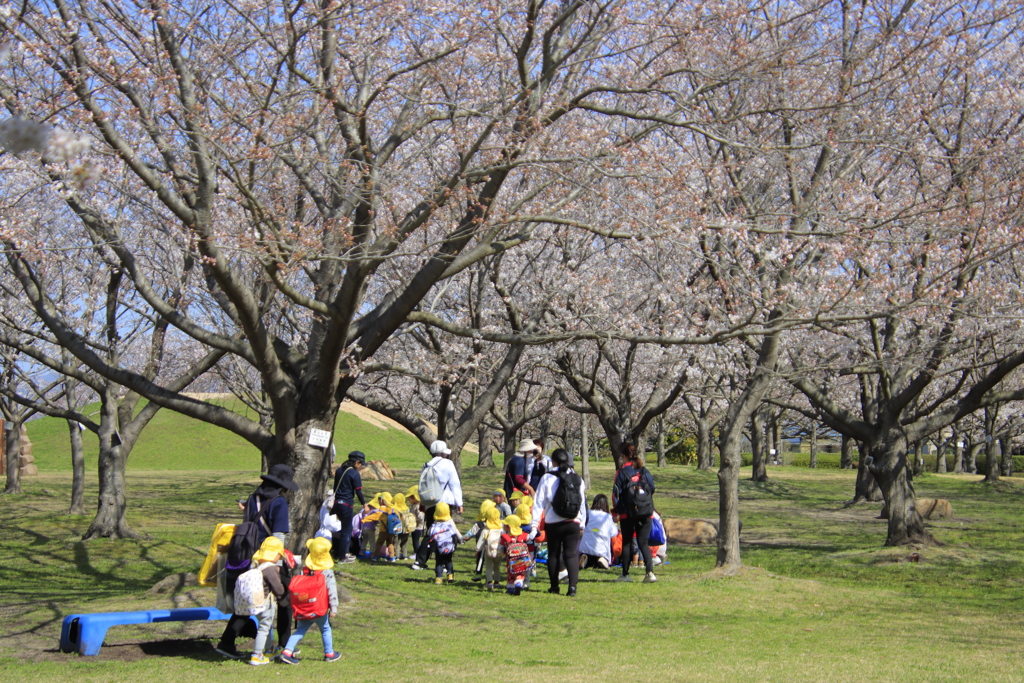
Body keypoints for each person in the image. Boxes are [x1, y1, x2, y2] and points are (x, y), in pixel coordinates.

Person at [216, 464, 297, 659]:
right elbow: (278, 536)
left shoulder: (252, 498)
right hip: (270, 557)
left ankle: (226, 642)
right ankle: (284, 645)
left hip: (248, 556)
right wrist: (277, 564)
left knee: (248, 598)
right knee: (285, 599)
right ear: (281, 486)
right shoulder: (279, 502)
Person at [531, 448, 586, 597]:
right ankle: (572, 587)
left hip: (553, 521)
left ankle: (554, 586)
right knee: (571, 554)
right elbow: (581, 502)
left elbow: (538, 503)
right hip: (573, 520)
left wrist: (534, 524)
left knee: (554, 554)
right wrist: (582, 522)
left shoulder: (547, 478)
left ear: (553, 461)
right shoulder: (577, 478)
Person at [279, 538, 342, 664]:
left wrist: (285, 601)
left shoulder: (304, 570)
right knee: (325, 629)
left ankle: (287, 651)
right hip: (320, 608)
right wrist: (334, 607)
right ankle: (329, 653)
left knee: (300, 630)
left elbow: (297, 587)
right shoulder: (327, 572)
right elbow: (332, 591)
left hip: (304, 607)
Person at [411, 441, 464, 570]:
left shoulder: (427, 465)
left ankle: (420, 561)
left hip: (430, 502)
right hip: (444, 501)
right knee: (446, 531)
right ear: (443, 452)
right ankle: (445, 562)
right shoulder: (448, 464)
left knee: (431, 532)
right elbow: (454, 484)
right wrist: (459, 503)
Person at [612, 443, 657, 583]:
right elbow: (653, 488)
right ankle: (650, 573)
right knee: (643, 542)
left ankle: (625, 574)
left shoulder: (621, 473)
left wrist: (617, 511)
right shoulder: (644, 471)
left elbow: (616, 494)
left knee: (626, 543)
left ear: (624, 456)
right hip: (646, 511)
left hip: (627, 513)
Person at [249, 537, 289, 666]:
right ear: (275, 554)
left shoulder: (256, 565)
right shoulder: (270, 568)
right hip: (266, 601)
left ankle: (268, 650)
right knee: (264, 627)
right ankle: (257, 654)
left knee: (265, 625)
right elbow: (278, 588)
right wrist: (284, 595)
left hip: (255, 601)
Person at [330, 451, 370, 564]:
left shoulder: (339, 470)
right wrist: (364, 504)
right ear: (357, 462)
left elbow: (335, 487)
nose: (361, 466)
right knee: (347, 531)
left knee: (343, 529)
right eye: (361, 464)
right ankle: (343, 556)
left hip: (337, 503)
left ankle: (340, 551)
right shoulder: (354, 473)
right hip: (346, 504)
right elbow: (358, 492)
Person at [579, 494, 618, 569]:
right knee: (601, 556)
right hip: (601, 549)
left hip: (585, 547)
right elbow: (614, 533)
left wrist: (593, 529)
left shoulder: (588, 513)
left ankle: (585, 558)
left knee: (589, 557)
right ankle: (602, 560)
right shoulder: (608, 517)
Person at [426, 502, 461, 584]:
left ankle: (439, 577)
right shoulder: (449, 523)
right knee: (448, 560)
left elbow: (429, 533)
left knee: (439, 562)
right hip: (449, 546)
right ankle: (450, 575)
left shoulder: (434, 524)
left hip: (439, 547)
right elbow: (454, 533)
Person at [499, 514, 530, 595]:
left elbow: (500, 547)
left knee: (511, 574)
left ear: (509, 526)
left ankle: (510, 588)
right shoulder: (523, 534)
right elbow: (530, 538)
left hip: (510, 561)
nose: (503, 526)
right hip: (522, 559)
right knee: (520, 573)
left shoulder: (505, 536)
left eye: (505, 525)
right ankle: (519, 583)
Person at [480, 506, 504, 591]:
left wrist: (477, 550)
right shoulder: (502, 528)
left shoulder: (486, 529)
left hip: (489, 551)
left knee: (489, 566)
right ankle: (497, 582)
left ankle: (489, 582)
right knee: (497, 566)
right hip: (499, 550)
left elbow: (481, 542)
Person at [392, 493, 413, 560]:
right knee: (405, 542)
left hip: (397, 527)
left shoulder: (394, 509)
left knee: (397, 542)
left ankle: (397, 556)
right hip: (407, 528)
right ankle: (405, 555)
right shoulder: (407, 508)